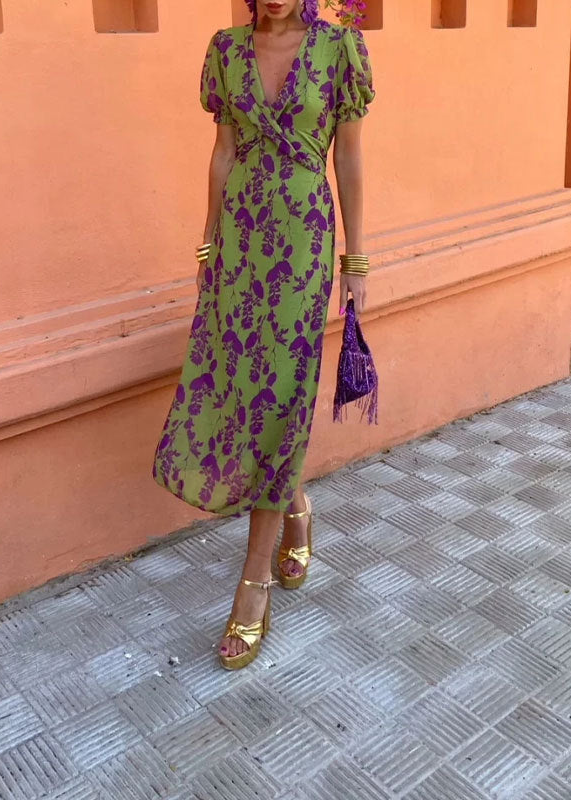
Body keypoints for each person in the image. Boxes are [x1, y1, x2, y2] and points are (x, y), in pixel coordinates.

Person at [153, 0, 374, 670]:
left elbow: (349, 160)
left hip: (303, 241)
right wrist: (207, 246)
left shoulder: (339, 51)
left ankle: (253, 585)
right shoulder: (225, 50)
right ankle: (296, 503)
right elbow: (223, 153)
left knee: (282, 394)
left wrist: (356, 263)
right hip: (239, 242)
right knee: (242, 391)